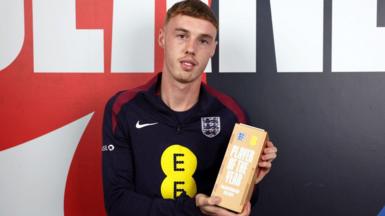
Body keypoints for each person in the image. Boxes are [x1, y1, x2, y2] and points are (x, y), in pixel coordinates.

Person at [102, 0, 277, 215]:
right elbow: (118, 204)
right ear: (162, 37)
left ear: (213, 48)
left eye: (203, 41)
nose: (191, 49)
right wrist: (194, 208)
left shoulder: (232, 114)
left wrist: (249, 182)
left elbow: (234, 205)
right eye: (182, 35)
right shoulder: (124, 108)